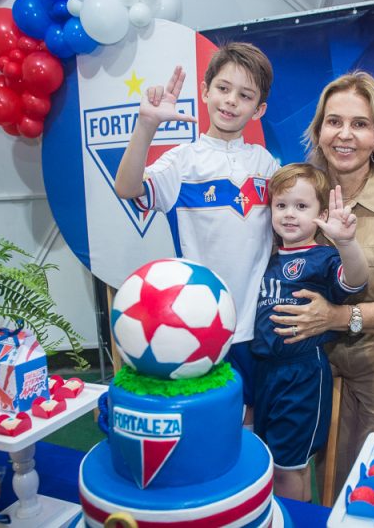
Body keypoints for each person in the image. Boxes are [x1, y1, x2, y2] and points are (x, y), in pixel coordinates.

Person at [269, 71, 374, 493]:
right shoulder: (295, 198)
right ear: (318, 131)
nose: (344, 135)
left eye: (360, 124)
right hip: (308, 373)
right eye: (334, 121)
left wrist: (339, 317)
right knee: (303, 486)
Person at [114, 43, 276, 425]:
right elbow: (126, 187)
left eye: (245, 95)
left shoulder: (267, 164)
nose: (231, 101)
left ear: (259, 109)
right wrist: (147, 125)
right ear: (205, 91)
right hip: (199, 323)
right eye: (223, 88)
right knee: (208, 420)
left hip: (257, 324)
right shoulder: (182, 161)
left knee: (251, 420)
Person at [253, 163, 368, 502]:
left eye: (301, 206)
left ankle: (291, 518)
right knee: (272, 461)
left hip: (301, 375)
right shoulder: (264, 258)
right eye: (281, 205)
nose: (290, 214)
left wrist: (346, 243)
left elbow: (356, 280)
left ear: (321, 213)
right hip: (263, 372)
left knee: (288, 468)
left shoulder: (324, 257)